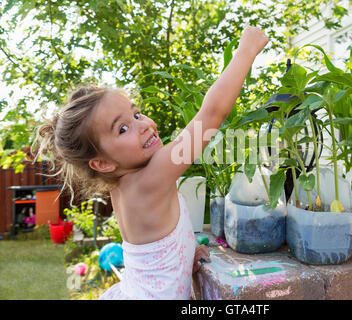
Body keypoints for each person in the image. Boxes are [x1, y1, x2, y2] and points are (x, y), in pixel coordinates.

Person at [34, 25, 268, 299]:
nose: (142, 125)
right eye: (122, 129)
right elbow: (211, 115)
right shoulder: (149, 180)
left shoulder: (126, 183)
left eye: (136, 114)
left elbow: (156, 246)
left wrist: (185, 254)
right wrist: (245, 52)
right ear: (103, 163)